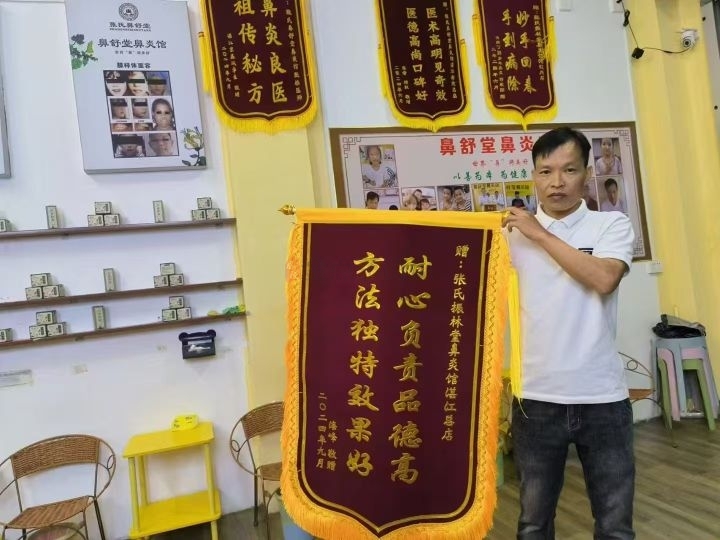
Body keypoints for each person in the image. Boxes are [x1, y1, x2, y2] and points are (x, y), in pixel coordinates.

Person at [503, 126, 635, 539]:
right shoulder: (507, 237)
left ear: (587, 174)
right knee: (533, 524)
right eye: (545, 172)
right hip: (536, 398)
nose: (556, 182)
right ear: (534, 176)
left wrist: (539, 235)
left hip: (603, 398)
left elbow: (603, 279)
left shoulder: (610, 225)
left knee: (615, 525)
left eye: (569, 170)